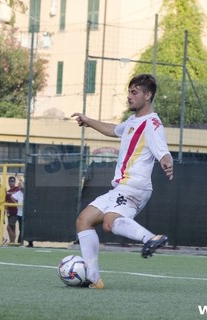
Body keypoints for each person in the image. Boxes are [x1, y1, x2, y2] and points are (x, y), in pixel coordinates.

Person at [71, 74, 173, 289]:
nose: (129, 96)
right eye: (129, 92)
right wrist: (88, 121)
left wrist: (166, 161)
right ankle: (93, 278)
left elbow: (163, 150)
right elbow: (113, 130)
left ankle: (150, 238)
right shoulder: (132, 122)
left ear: (148, 95)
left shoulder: (152, 123)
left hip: (135, 187)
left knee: (109, 221)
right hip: (122, 187)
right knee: (84, 220)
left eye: (134, 92)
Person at [11, 181, 34, 248]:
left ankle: (30, 243)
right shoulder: (18, 193)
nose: (19, 187)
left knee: (29, 229)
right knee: (21, 229)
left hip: (28, 214)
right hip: (20, 214)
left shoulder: (28, 192)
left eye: (20, 186)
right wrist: (16, 204)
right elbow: (12, 197)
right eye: (19, 186)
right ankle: (20, 243)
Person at [5, 176, 19, 243]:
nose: (11, 182)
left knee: (8, 227)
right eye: (10, 181)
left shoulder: (17, 188)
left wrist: (8, 193)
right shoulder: (7, 192)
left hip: (16, 212)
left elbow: (16, 193)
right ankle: (12, 242)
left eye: (12, 181)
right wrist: (6, 210)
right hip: (9, 212)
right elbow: (6, 202)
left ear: (15, 182)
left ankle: (12, 242)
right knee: (12, 228)